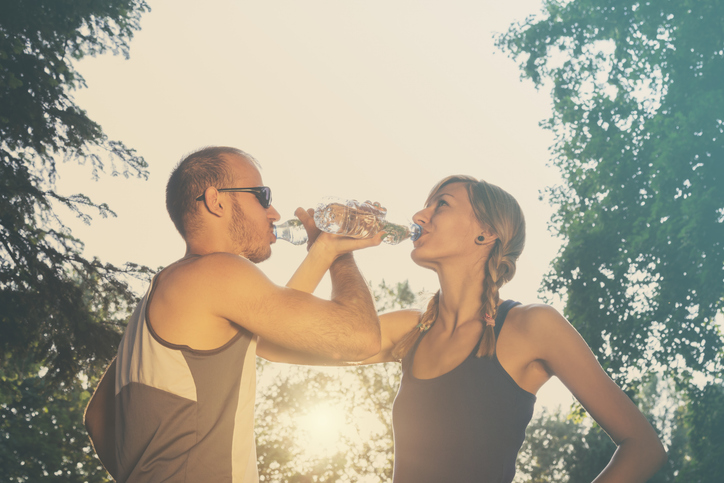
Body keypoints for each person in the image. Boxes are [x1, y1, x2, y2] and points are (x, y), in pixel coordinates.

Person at [259, 175, 668, 483]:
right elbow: (271, 340)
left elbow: (643, 447)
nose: (419, 216)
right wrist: (332, 251)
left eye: (441, 205)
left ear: (485, 233)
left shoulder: (532, 326)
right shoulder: (411, 330)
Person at [84, 146, 384, 482]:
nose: (273, 212)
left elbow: (97, 417)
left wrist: (326, 249)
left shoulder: (169, 292)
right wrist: (344, 254)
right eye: (262, 196)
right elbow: (361, 337)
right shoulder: (217, 272)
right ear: (217, 201)